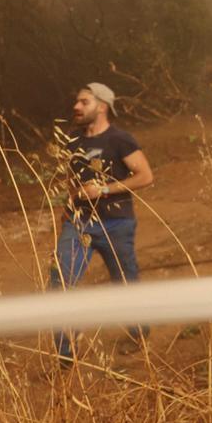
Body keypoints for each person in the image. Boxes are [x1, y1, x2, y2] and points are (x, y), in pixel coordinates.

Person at [50, 82, 155, 365]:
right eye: (77, 101)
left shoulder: (120, 139)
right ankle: (65, 355)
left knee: (125, 283)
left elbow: (145, 176)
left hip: (117, 223)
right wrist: (69, 206)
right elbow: (72, 178)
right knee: (60, 282)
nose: (77, 106)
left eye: (84, 102)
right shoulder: (72, 139)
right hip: (79, 223)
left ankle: (138, 333)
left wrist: (105, 190)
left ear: (102, 106)